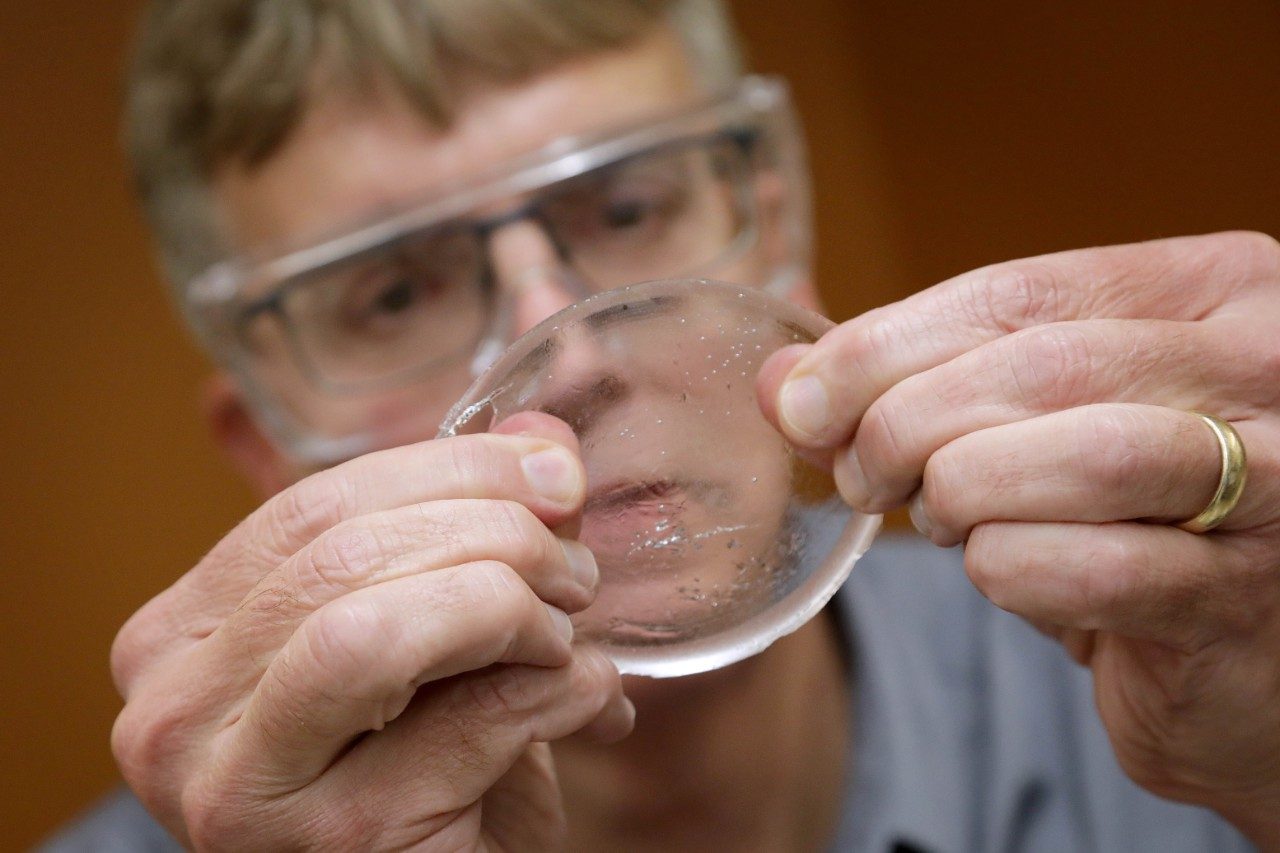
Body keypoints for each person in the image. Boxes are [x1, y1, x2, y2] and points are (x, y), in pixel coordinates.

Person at [44, 1, 1280, 850]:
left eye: (627, 206)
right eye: (395, 292)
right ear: (269, 446)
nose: (564, 354)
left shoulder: (1174, 672)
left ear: (780, 246)